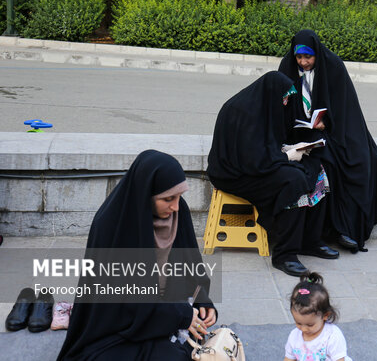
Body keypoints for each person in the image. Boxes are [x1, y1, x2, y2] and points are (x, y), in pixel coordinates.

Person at [57, 150, 217, 361]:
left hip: (164, 311)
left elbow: (191, 266)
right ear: (146, 193)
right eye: (168, 199)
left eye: (179, 197)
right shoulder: (112, 225)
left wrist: (202, 302)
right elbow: (121, 302)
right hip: (119, 326)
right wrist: (180, 315)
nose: (176, 206)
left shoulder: (178, 212)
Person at [207, 71, 339, 277]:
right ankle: (285, 254)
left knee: (317, 169)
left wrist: (290, 149)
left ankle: (310, 240)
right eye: (285, 97)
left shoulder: (264, 108)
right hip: (234, 174)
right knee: (293, 181)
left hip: (257, 165)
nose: (286, 102)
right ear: (272, 92)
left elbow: (265, 147)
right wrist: (287, 157)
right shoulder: (241, 111)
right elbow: (251, 160)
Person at [278, 29, 377, 252]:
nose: (303, 62)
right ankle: (323, 232)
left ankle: (346, 228)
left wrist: (326, 122)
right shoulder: (288, 67)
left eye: (308, 57)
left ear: (317, 54)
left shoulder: (333, 66)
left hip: (332, 130)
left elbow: (345, 106)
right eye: (299, 57)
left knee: (356, 160)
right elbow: (279, 101)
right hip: (297, 132)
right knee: (322, 162)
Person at [284, 272, 352, 361]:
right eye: (298, 323)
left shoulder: (332, 336)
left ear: (325, 315)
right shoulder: (294, 336)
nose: (303, 329)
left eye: (310, 325)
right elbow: (288, 359)